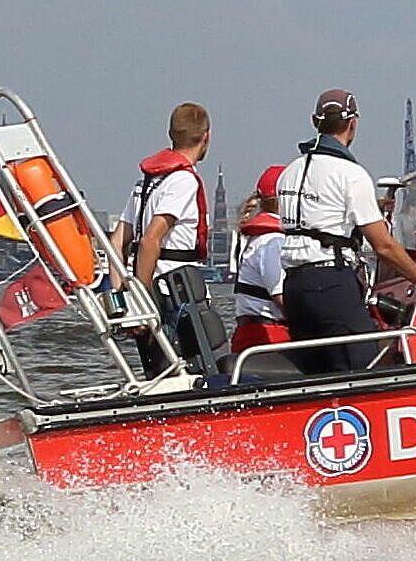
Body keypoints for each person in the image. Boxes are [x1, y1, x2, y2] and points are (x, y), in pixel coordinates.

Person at [278, 88, 416, 374]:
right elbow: (382, 246)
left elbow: (318, 216)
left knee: (314, 377)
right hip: (331, 284)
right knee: (361, 371)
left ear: (315, 122)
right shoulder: (351, 174)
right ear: (353, 123)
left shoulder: (290, 172)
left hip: (295, 289)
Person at [110, 102, 211, 375]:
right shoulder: (182, 181)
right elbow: (150, 239)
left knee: (157, 371)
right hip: (173, 295)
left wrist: (122, 297)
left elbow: (117, 241)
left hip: (149, 289)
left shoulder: (146, 182)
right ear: (206, 137)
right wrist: (143, 302)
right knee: (193, 369)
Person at [230, 164, 289, 356]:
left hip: (249, 335)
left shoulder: (253, 238)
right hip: (266, 337)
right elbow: (280, 297)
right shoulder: (273, 242)